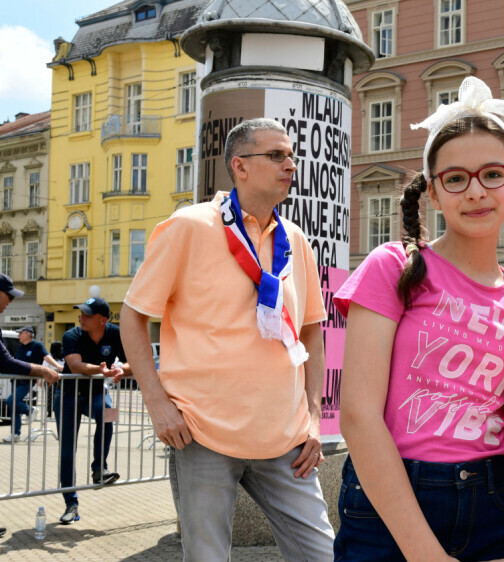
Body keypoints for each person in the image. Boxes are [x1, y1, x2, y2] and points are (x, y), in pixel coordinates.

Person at [332, 76, 504, 561]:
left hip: (493, 502)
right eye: (456, 178)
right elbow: (359, 416)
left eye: (492, 174)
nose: (475, 191)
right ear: (433, 193)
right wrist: (425, 554)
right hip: (390, 504)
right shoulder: (394, 268)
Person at [120, 118, 334, 560]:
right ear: (239, 165)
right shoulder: (189, 226)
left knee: (323, 555)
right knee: (208, 557)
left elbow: (312, 329)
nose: (290, 165)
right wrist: (158, 403)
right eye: (276, 156)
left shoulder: (295, 239)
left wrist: (313, 417)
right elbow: (133, 315)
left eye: (291, 155)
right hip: (203, 432)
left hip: (286, 438)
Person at [55, 296, 129, 525]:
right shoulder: (72, 335)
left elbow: (132, 361)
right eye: (81, 312)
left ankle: (100, 469)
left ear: (103, 320)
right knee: (67, 452)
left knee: (109, 412)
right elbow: (75, 365)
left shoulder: (115, 333)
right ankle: (71, 504)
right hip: (68, 395)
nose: (81, 317)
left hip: (96, 393)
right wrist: (101, 369)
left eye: (87, 314)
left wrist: (119, 370)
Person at [0, 276, 60, 444]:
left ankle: (19, 427)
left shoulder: (36, 345)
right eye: (9, 296)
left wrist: (55, 368)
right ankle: (23, 421)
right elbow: (5, 361)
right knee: (13, 403)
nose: (11, 302)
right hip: (17, 380)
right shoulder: (20, 346)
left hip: (24, 382)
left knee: (13, 403)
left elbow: (46, 356)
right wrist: (42, 370)